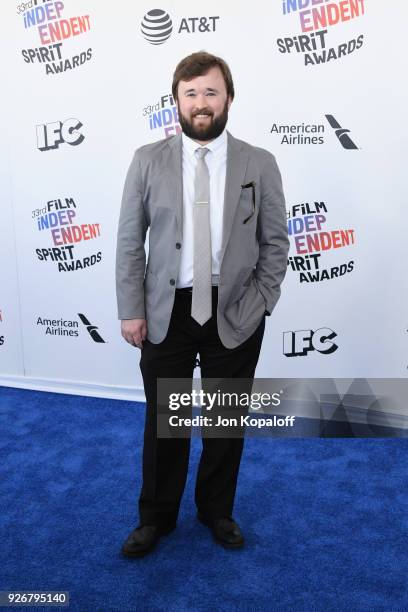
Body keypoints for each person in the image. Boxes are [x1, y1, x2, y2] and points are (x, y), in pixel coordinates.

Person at [115, 51, 289, 558]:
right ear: (176, 102)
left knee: (224, 422)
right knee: (163, 422)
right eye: (190, 93)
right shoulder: (148, 159)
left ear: (228, 98)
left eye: (211, 92)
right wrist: (132, 308)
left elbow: (275, 242)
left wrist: (262, 300)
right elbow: (131, 240)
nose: (201, 103)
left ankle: (217, 511)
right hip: (166, 312)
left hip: (235, 312)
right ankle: (156, 517)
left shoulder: (260, 162)